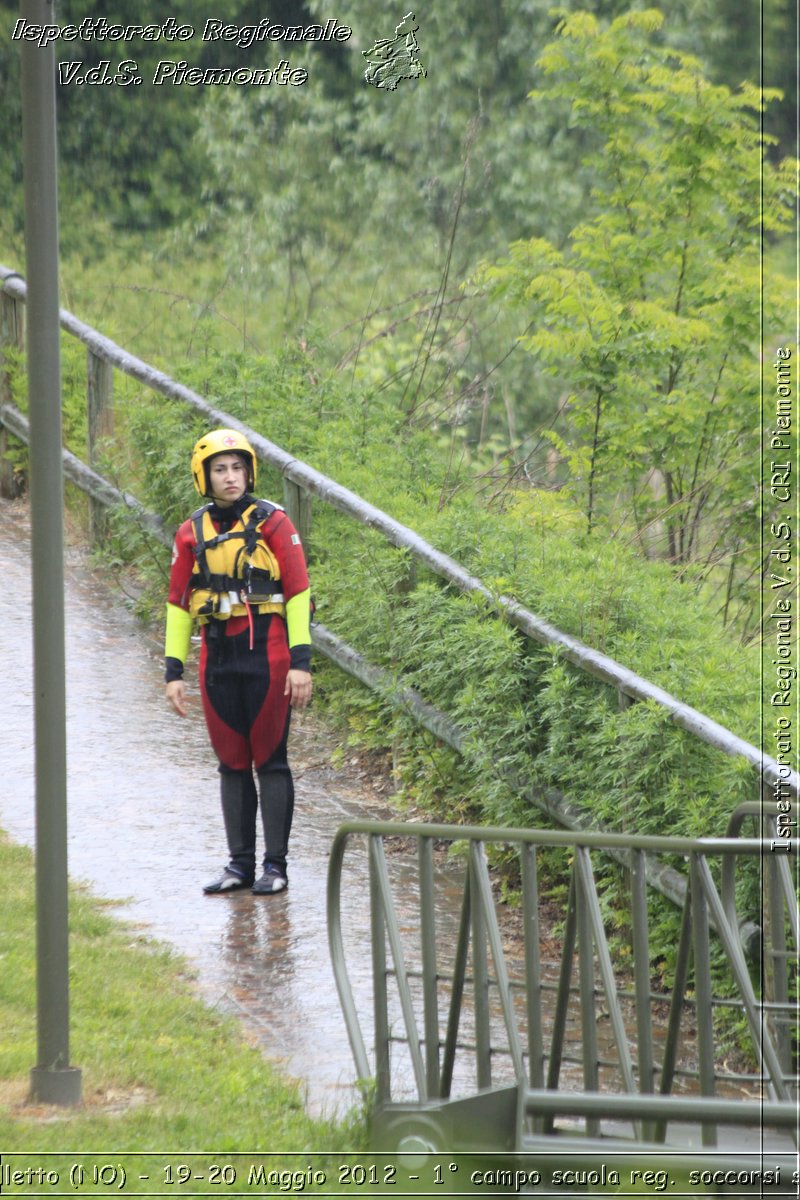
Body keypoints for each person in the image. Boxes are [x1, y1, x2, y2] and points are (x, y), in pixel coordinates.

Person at [164, 428, 312, 895]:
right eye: (220, 469)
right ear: (203, 477)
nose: (230, 477)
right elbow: (177, 603)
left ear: (249, 472)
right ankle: (239, 865)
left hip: (268, 661)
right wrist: (173, 672)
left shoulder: (275, 524)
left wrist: (301, 662)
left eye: (237, 468)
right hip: (217, 665)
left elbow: (299, 594)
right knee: (231, 764)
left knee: (270, 762)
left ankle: (275, 866)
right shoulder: (190, 532)